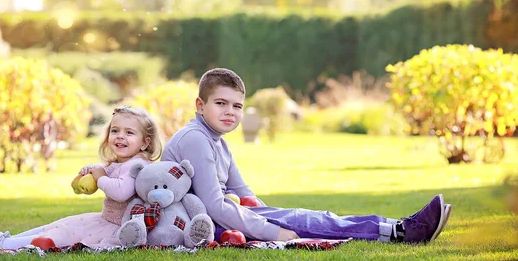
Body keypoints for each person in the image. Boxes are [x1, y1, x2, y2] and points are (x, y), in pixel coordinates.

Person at [161, 68, 452, 243]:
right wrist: (273, 232)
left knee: (303, 218)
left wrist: (271, 218)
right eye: (221, 103)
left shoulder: (218, 142)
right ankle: (402, 232)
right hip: (200, 224)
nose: (230, 112)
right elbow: (214, 206)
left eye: (237, 106)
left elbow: (243, 192)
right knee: (307, 221)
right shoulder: (196, 139)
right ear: (200, 105)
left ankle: (396, 227)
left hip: (224, 216)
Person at [0, 106, 162, 250]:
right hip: (104, 220)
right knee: (59, 225)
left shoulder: (138, 165)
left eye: (129, 133)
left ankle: (4, 245)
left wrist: (100, 178)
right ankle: (6, 239)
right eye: (115, 131)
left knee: (62, 236)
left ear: (145, 142)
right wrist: (92, 171)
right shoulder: (123, 162)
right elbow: (107, 173)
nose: (120, 136)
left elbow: (121, 192)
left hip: (116, 227)